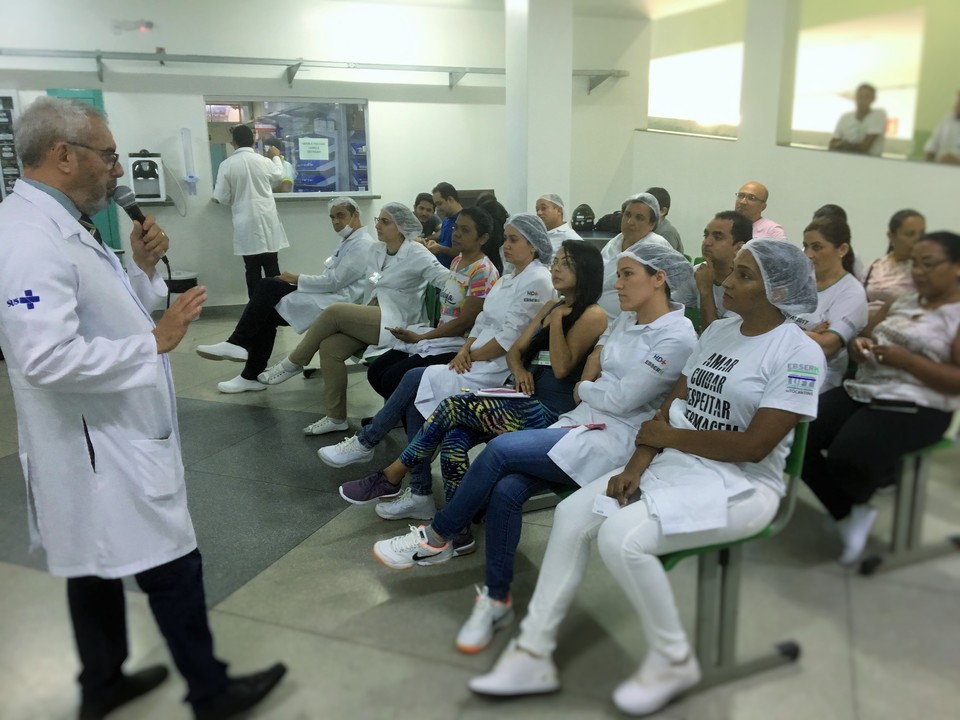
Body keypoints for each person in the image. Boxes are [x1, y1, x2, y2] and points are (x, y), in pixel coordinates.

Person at [0, 96, 285, 720]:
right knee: (172, 564)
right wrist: (154, 342)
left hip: (101, 443)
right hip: (99, 449)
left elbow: (104, 310)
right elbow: (43, 357)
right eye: (108, 156)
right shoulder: (25, 235)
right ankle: (210, 693)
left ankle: (102, 684)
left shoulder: (64, 223)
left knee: (92, 566)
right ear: (63, 154)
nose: (118, 169)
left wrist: (142, 268)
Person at [469, 239, 823, 717]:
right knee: (573, 513)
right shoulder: (719, 330)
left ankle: (674, 660)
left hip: (743, 484)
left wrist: (667, 438)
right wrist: (639, 461)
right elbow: (673, 403)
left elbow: (754, 446)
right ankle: (532, 652)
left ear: (778, 290)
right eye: (732, 271)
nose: (726, 282)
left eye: (743, 276)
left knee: (620, 538)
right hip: (676, 461)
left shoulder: (799, 353)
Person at [371, 244, 700, 659]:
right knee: (507, 490)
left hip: (619, 440)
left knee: (503, 450)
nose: (617, 284)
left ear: (660, 279)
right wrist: (594, 388)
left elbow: (620, 398)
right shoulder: (627, 319)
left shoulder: (677, 336)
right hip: (585, 420)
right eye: (617, 275)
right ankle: (496, 600)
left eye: (627, 275)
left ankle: (438, 536)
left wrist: (588, 388)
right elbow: (598, 360)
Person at [334, 241, 606, 524]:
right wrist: (520, 370)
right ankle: (458, 527)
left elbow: (562, 368)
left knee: (452, 406)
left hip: (550, 409)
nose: (556, 268)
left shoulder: (592, 315)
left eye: (566, 263)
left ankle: (391, 474)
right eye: (557, 261)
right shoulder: (553, 305)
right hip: (522, 395)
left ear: (585, 271)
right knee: (453, 440)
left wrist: (559, 320)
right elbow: (515, 351)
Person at [316, 213, 556, 516]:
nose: (505, 245)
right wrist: (467, 349)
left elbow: (510, 338)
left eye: (513, 239)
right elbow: (482, 321)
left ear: (533, 246)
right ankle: (419, 494)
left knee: (417, 377)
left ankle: (369, 445)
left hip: (496, 371)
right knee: (417, 395)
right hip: (474, 358)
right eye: (506, 238)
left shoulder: (537, 280)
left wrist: (469, 355)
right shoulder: (510, 276)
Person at [803, 231, 960, 565]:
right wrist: (859, 348)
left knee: (848, 457)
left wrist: (909, 361)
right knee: (796, 431)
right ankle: (848, 511)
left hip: (920, 403)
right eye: (914, 263)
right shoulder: (903, 301)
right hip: (867, 388)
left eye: (928, 264)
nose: (918, 271)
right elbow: (865, 335)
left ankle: (855, 504)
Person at [258, 202, 448, 435]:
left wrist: (471, 278)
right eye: (378, 220)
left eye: (385, 222)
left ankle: (295, 362)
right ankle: (336, 418)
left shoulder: (416, 252)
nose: (378, 225)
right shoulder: (377, 250)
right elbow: (373, 284)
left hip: (397, 319)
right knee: (330, 347)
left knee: (335, 311)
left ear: (401, 228)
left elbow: (444, 278)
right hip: (374, 314)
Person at [195, 197, 376, 394]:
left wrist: (295, 278)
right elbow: (331, 279)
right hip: (327, 296)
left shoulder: (363, 245)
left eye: (340, 216)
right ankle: (248, 373)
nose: (335, 222)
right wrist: (296, 280)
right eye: (332, 217)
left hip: (338, 305)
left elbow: (334, 282)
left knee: (268, 286)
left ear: (355, 215)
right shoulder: (348, 242)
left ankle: (238, 346)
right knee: (267, 308)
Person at [364, 206, 500, 402]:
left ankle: (408, 416)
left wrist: (422, 337)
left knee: (393, 377)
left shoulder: (483, 271)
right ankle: (401, 411)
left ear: (483, 238)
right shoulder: (457, 261)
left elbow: (464, 322)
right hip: (440, 338)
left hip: (459, 345)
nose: (457, 234)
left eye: (465, 230)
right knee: (377, 370)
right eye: (455, 228)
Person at [791, 217, 868, 392]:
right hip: (776, 362)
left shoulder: (851, 293)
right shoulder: (800, 279)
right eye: (806, 246)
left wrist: (785, 330)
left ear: (842, 249)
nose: (808, 254)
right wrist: (808, 335)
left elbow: (826, 345)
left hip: (811, 377)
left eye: (816, 247)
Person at [212, 124, 290, 298]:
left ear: (233, 142)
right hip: (267, 219)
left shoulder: (227, 165)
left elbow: (221, 197)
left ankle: (255, 312)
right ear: (254, 140)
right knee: (272, 266)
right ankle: (276, 310)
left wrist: (237, 197)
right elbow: (278, 174)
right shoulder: (263, 161)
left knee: (252, 269)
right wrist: (276, 157)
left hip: (245, 222)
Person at [597, 192, 672, 319]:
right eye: (627, 215)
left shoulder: (655, 246)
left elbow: (669, 291)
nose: (630, 222)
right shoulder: (615, 241)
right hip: (600, 317)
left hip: (633, 321)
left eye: (639, 218)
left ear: (652, 224)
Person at [693, 210, 752, 331]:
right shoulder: (698, 272)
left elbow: (715, 336)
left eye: (718, 237)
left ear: (739, 247)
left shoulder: (747, 285)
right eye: (706, 235)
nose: (707, 242)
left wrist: (705, 290)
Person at [863, 209, 926, 320]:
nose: (917, 240)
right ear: (891, 236)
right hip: (866, 328)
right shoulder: (875, 266)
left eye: (921, 234)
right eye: (910, 234)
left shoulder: (924, 270)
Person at [829, 83, 887, 156]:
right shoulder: (845, 117)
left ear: (873, 99)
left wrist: (843, 145)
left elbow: (864, 147)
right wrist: (841, 145)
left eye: (866, 97)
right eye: (860, 97)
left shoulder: (878, 115)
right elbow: (832, 144)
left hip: (871, 163)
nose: (862, 101)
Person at [430, 181, 463, 267]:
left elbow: (461, 252)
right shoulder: (446, 220)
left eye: (439, 204)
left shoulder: (465, 221)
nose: (438, 209)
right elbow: (443, 242)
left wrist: (441, 249)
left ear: (450, 199)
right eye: (436, 205)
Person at [924, 91, 960, 164]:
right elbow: (932, 146)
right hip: (940, 167)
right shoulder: (947, 120)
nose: (955, 107)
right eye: (956, 103)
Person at [645, 186, 684, 253]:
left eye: (649, 207)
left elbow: (666, 261)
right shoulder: (646, 227)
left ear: (662, 211)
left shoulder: (667, 233)